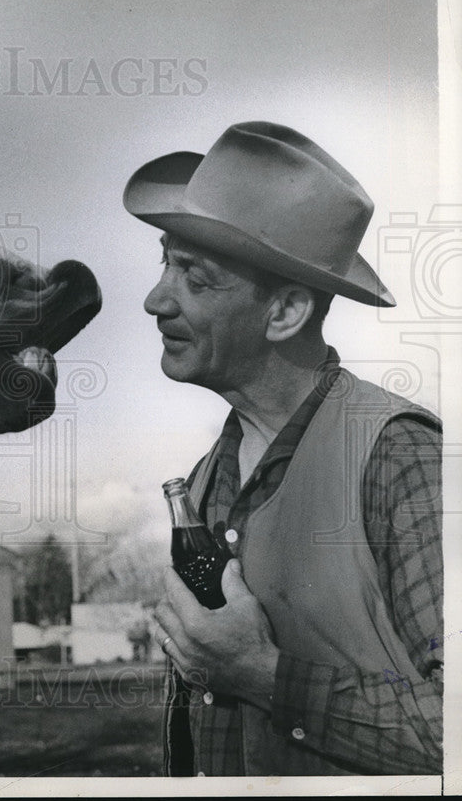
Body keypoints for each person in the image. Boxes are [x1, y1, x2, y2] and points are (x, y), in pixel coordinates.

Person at [123, 122, 443, 776]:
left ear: (287, 312)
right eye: (165, 260)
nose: (156, 299)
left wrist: (263, 675)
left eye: (195, 276)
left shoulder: (400, 459)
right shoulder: (206, 479)